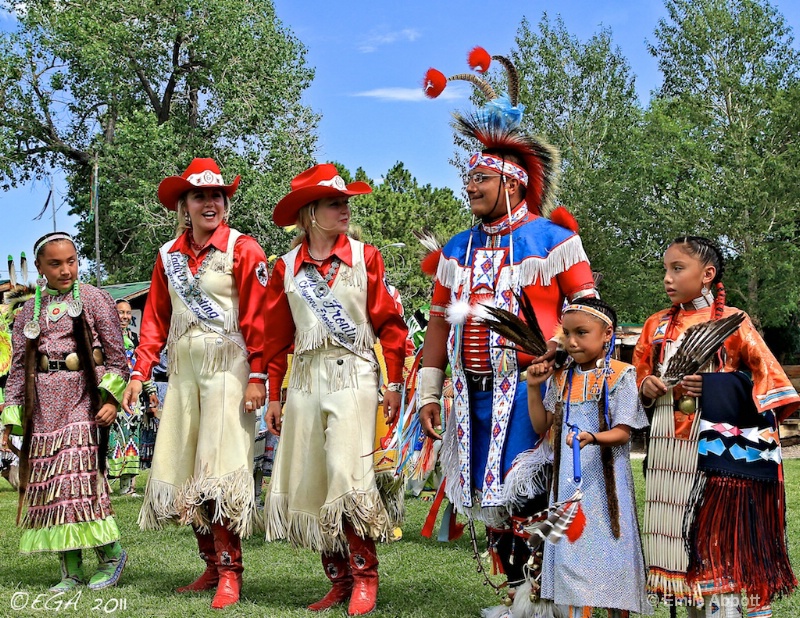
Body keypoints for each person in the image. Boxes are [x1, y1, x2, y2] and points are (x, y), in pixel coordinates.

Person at [418, 46, 596, 612]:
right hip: (470, 393)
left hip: (530, 390)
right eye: (467, 178)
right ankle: (520, 595)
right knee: (489, 502)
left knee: (530, 495)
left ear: (514, 184)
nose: (469, 187)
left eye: (480, 178)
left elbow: (592, 314)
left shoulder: (552, 240)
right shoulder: (456, 249)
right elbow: (437, 331)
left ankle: (547, 596)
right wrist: (427, 391)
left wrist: (561, 358)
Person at [121, 157, 269, 610]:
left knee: (218, 470)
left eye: (217, 195)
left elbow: (259, 318)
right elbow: (155, 320)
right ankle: (209, 563)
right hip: (183, 371)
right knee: (187, 469)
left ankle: (230, 571)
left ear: (226, 201)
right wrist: (140, 370)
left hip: (228, 369)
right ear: (184, 205)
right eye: (200, 195)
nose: (210, 202)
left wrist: (259, 375)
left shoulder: (245, 249)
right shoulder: (168, 256)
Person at [262, 163, 408, 616]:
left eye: (345, 201)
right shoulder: (285, 268)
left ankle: (365, 576)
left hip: (355, 376)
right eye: (334, 202)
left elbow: (389, 323)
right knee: (314, 479)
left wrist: (395, 380)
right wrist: (272, 393)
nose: (345, 209)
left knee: (348, 475)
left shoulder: (367, 257)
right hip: (305, 379)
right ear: (309, 213)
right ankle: (338, 579)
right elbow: (275, 337)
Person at [633, 236, 798, 617]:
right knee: (677, 539)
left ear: (707, 274)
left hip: (719, 453)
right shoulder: (654, 325)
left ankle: (728, 609)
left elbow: (771, 383)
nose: (667, 279)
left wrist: (715, 385)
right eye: (665, 270)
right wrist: (646, 385)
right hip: (666, 450)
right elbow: (639, 376)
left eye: (678, 269)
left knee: (717, 538)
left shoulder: (733, 321)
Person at [0, 232, 129, 591]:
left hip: (82, 400)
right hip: (43, 406)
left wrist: (111, 400)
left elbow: (119, 360)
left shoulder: (93, 298)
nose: (65, 269)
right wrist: (11, 417)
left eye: (71, 261)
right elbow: (17, 368)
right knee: (52, 485)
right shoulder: (29, 309)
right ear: (40, 267)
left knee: (78, 479)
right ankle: (70, 570)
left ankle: (112, 554)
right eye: (55, 264)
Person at [526, 297, 651, 616]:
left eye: (581, 332)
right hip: (567, 487)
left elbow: (624, 432)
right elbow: (542, 425)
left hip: (608, 491)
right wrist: (532, 388)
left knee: (611, 554)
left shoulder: (622, 375)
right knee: (571, 556)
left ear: (607, 333)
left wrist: (592, 437)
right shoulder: (561, 378)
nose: (571, 341)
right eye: (566, 333)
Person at [107, 299, 143, 495]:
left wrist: (150, 391)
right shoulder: (106, 338)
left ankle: (127, 486)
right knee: (112, 437)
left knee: (131, 437)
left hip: (133, 395)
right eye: (121, 312)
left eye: (128, 313)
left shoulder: (134, 338)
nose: (125, 317)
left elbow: (140, 366)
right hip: (113, 394)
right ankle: (104, 484)